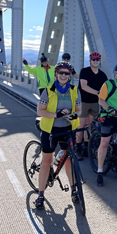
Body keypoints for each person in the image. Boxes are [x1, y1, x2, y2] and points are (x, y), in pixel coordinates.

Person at [34, 62, 82, 210]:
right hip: (50, 131)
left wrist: (74, 117)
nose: (63, 75)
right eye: (60, 73)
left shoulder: (74, 90)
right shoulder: (48, 91)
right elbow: (40, 111)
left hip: (68, 130)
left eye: (66, 73)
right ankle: (40, 195)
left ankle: (74, 191)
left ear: (69, 76)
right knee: (47, 161)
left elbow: (79, 110)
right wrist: (56, 115)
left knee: (69, 161)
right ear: (56, 74)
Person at [77, 51, 108, 159]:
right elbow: (84, 86)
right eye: (93, 59)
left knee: (90, 126)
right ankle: (78, 148)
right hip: (83, 102)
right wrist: (98, 93)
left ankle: (86, 148)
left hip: (95, 103)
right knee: (81, 126)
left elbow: (106, 89)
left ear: (99, 61)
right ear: (90, 61)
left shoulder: (102, 75)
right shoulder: (84, 71)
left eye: (97, 60)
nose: (95, 61)